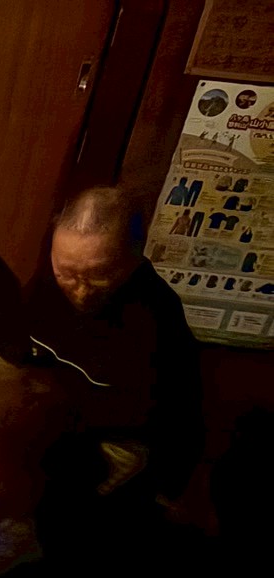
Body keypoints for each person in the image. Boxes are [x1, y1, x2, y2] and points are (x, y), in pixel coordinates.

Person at [23, 186, 202, 501]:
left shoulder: (156, 316)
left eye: (99, 276)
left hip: (114, 468)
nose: (81, 291)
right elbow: (8, 359)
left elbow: (168, 429)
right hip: (46, 451)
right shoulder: (44, 287)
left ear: (133, 260)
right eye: (66, 273)